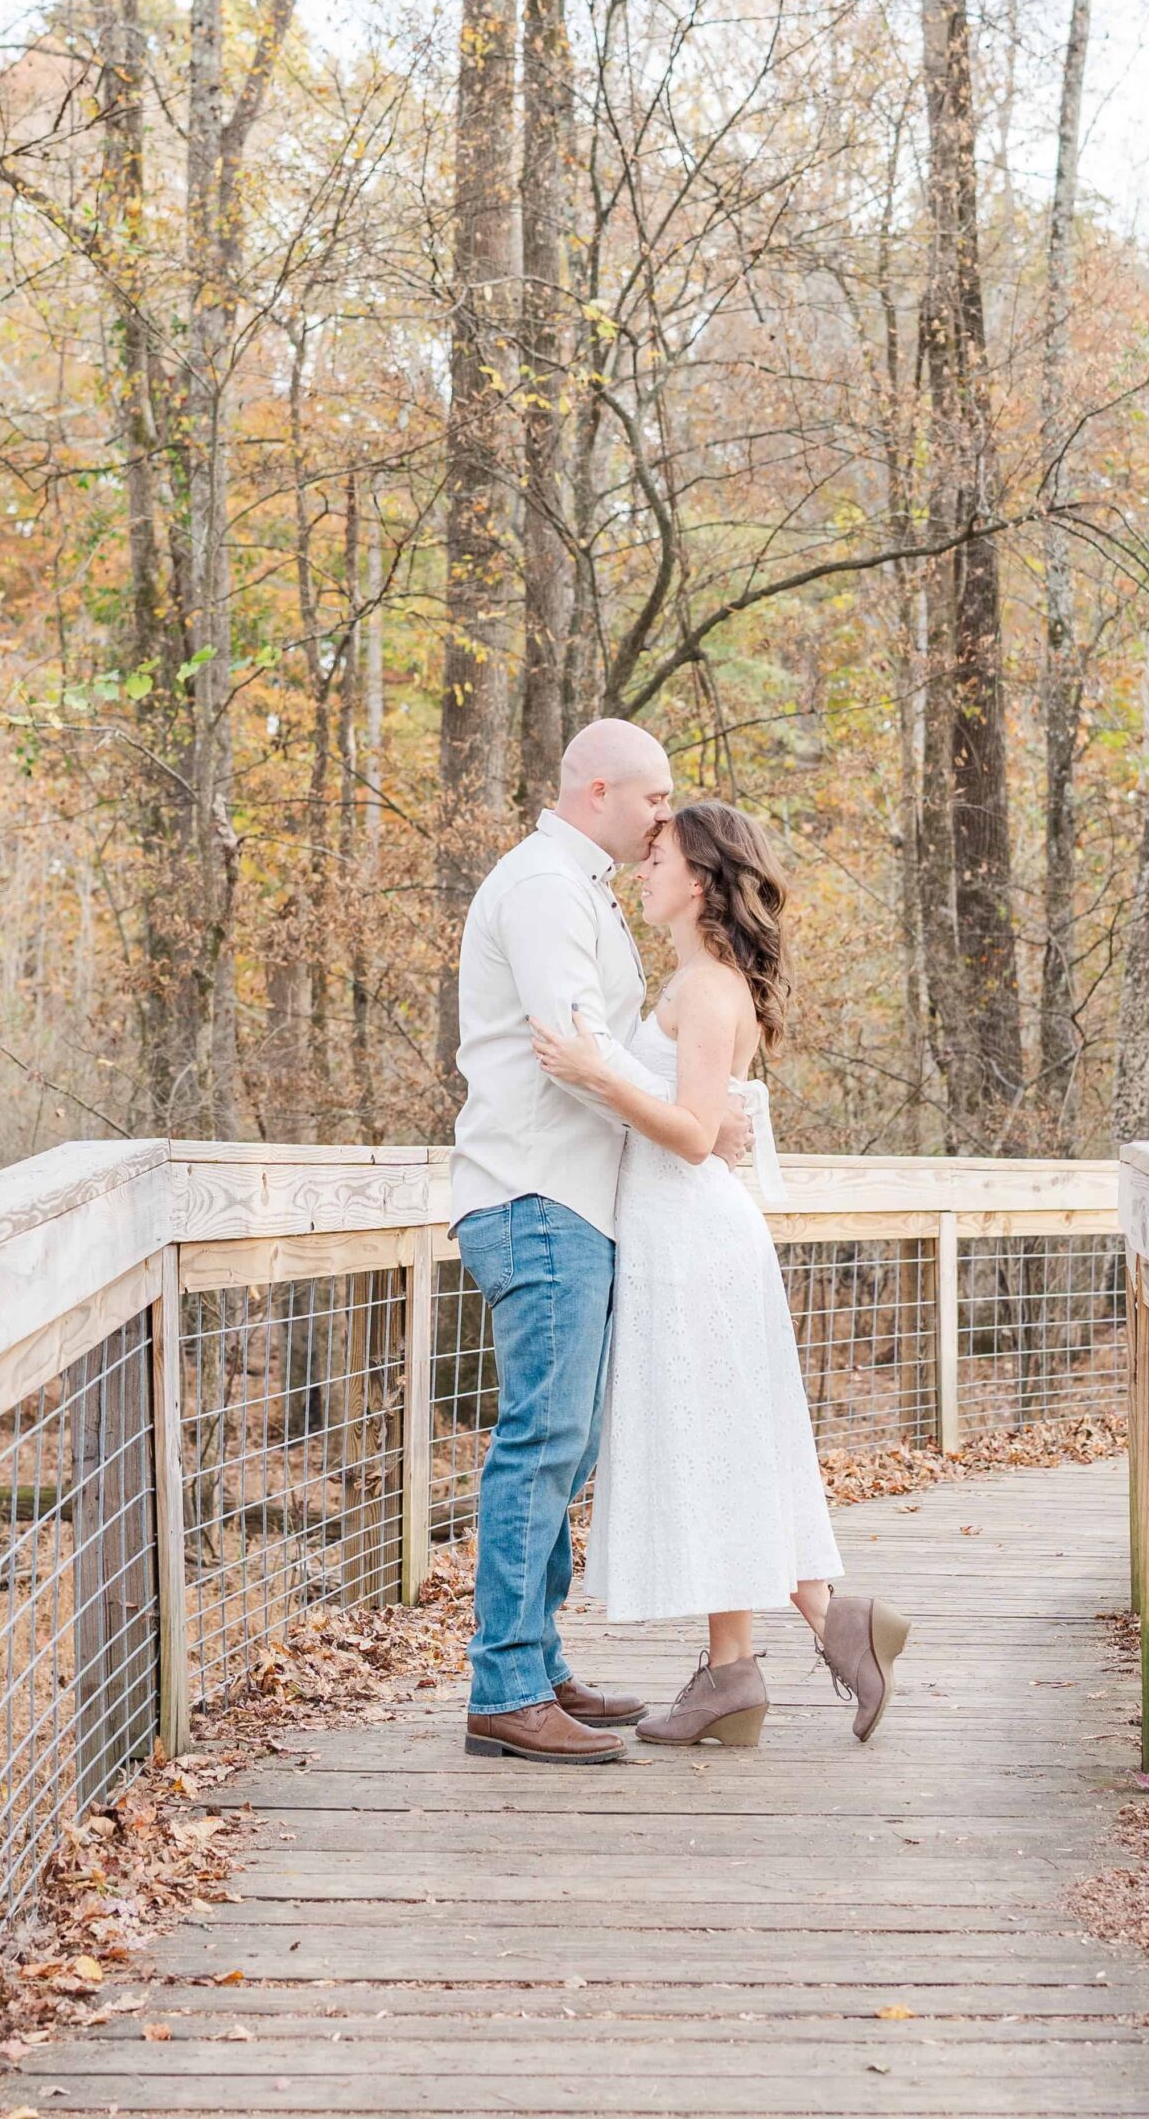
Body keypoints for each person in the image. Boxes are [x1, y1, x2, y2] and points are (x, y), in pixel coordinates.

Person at [532, 799, 909, 1748]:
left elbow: (696, 1137)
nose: (641, 869)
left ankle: (788, 1647)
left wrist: (593, 1071)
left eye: (655, 856)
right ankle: (760, 1658)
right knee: (720, 1444)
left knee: (718, 1442)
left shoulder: (706, 989)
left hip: (694, 1241)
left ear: (697, 878)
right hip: (675, 1238)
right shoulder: (700, 979)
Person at [448, 718, 754, 1764]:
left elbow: (617, 1052)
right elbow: (574, 1045)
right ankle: (507, 1686)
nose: (665, 814)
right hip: (536, 1195)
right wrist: (698, 1122)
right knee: (538, 1442)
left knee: (560, 1442)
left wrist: (711, 1107)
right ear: (598, 789)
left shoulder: (583, 892)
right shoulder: (542, 886)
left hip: (575, 1199)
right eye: (654, 796)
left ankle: (537, 1662)